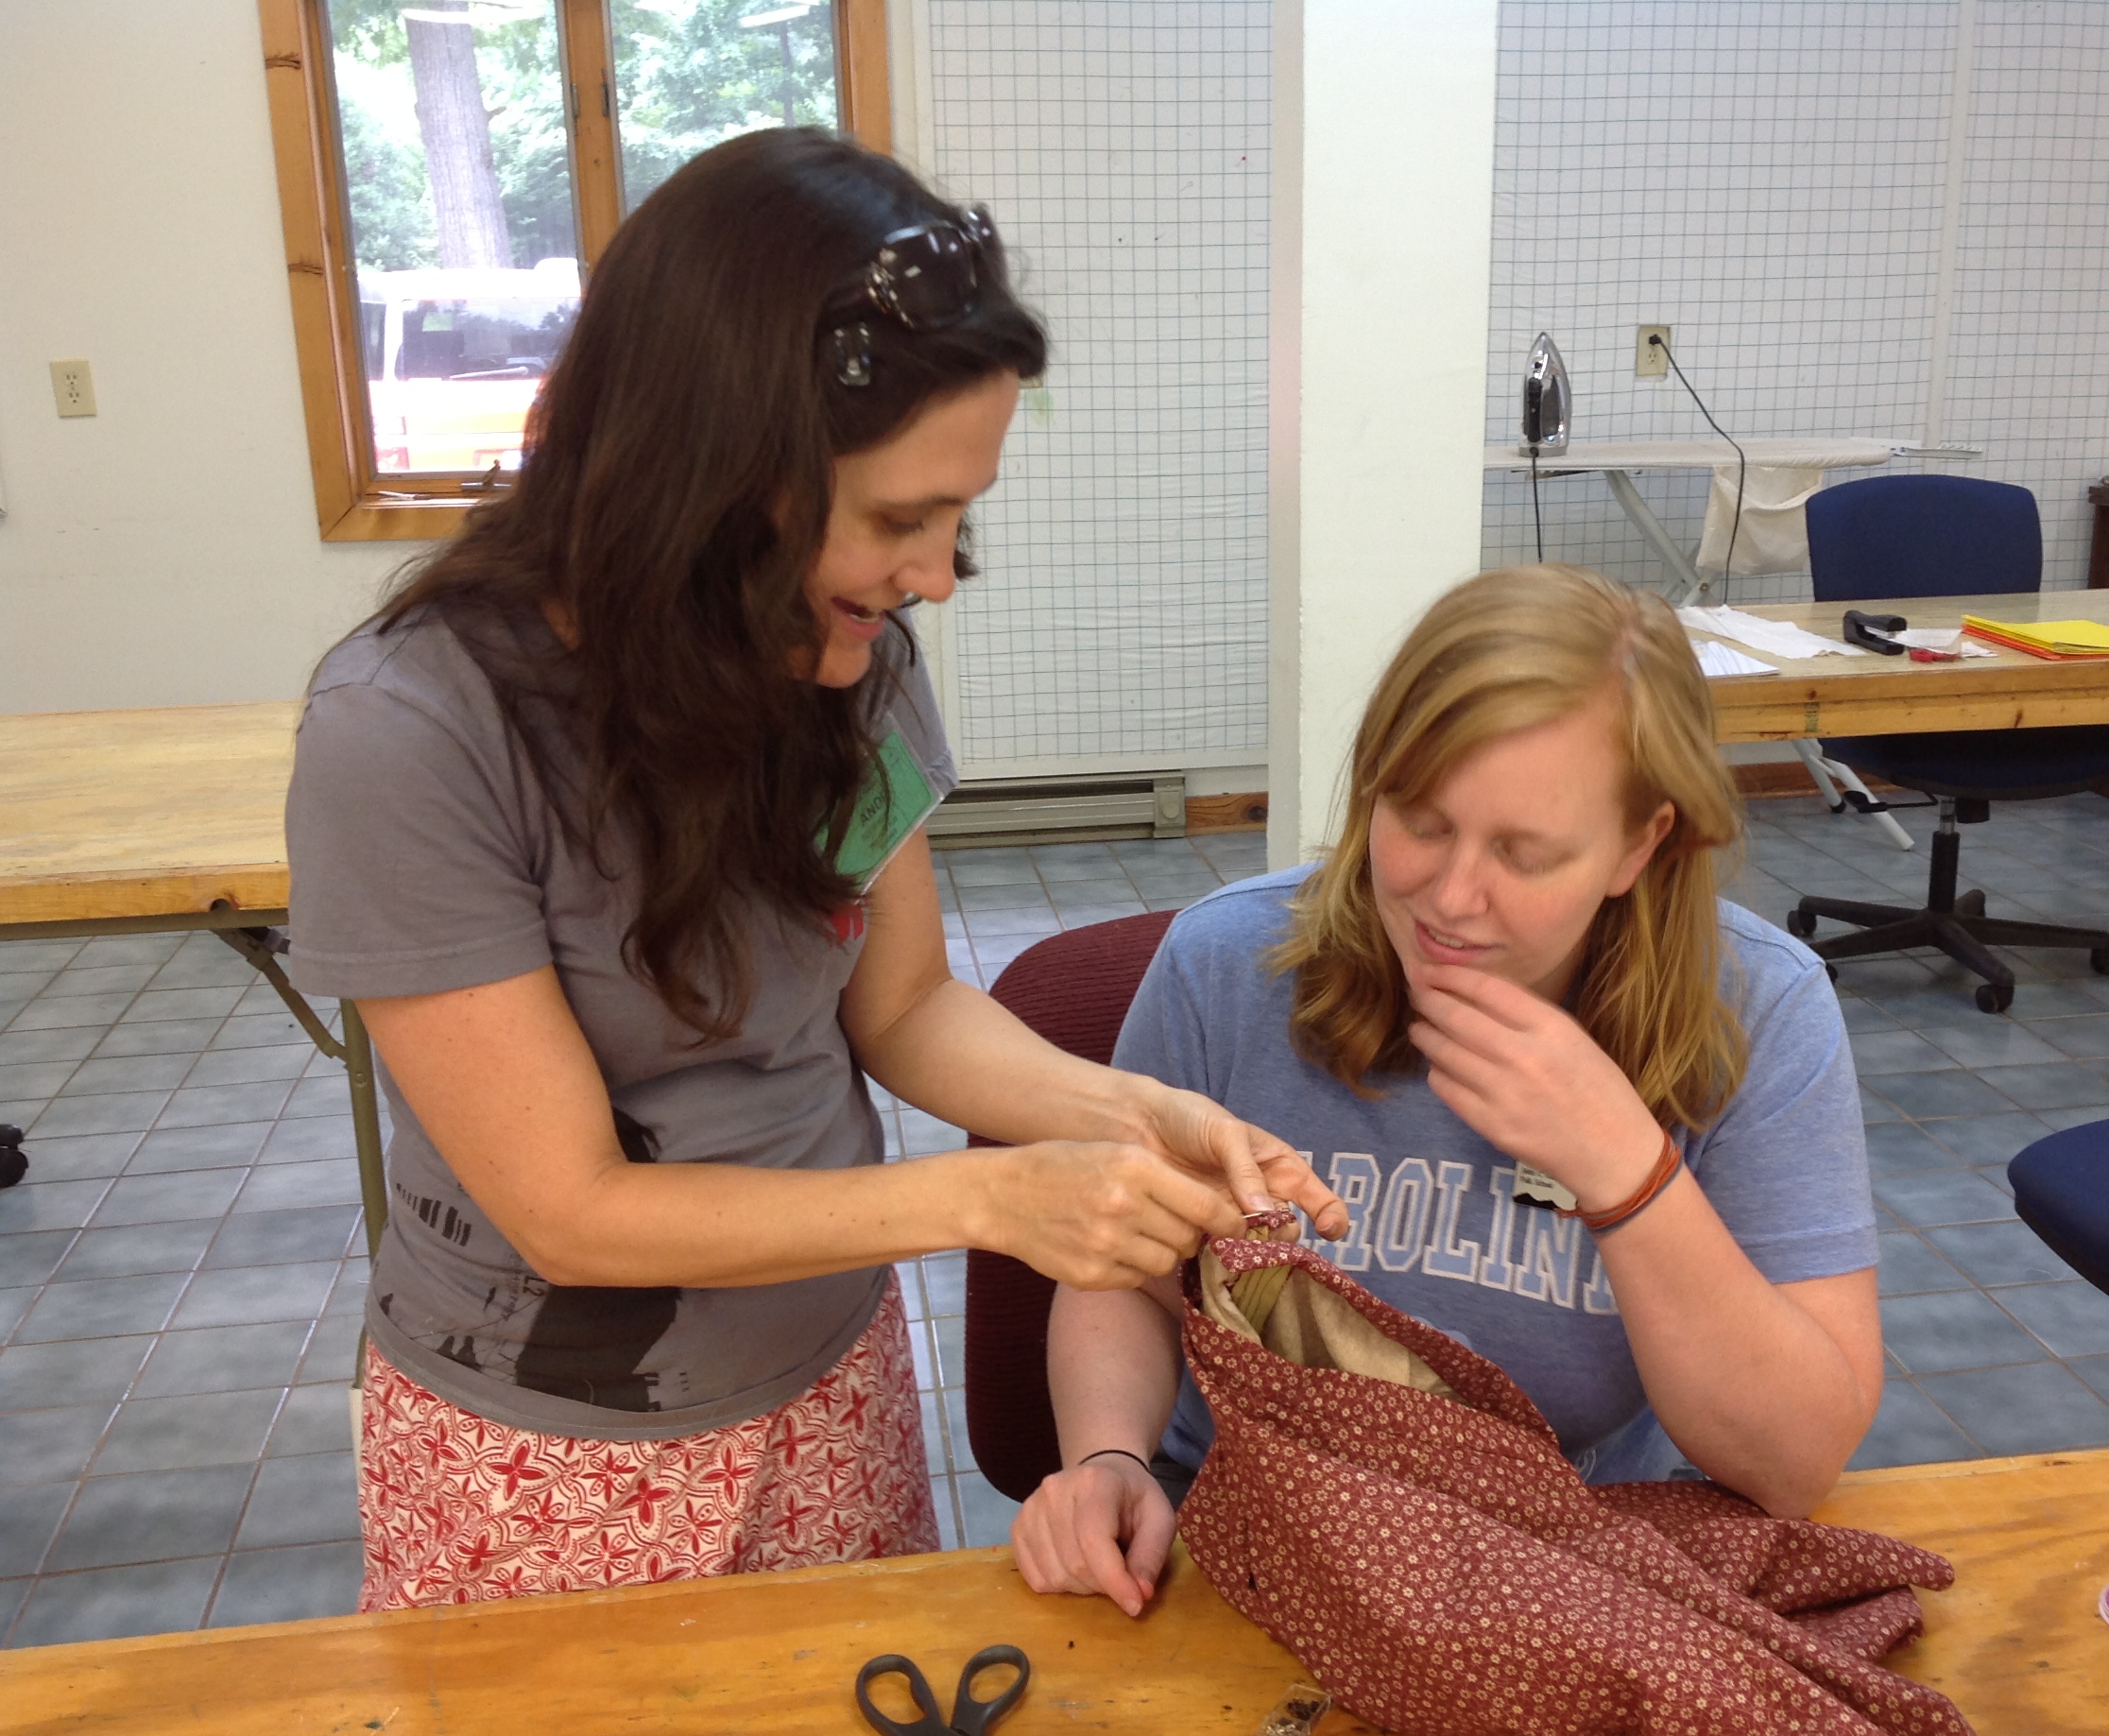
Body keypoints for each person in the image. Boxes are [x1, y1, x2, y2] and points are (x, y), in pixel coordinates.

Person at [283, 129, 1336, 1610]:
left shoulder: (846, 667)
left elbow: (900, 1008)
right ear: (715, 473)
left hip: (828, 1385)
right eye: (904, 520)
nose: (935, 577)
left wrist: (1145, 1116)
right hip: (546, 1457)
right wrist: (987, 1204)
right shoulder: (413, 733)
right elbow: (570, 1211)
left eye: (961, 516)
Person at [1013, 565, 1885, 1618]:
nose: (1451, 899)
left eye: (1523, 853)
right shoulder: (1225, 965)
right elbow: (1127, 1276)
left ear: (1640, 843)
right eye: (1420, 821)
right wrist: (1110, 1456)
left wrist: (1627, 1171)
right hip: (1246, 1546)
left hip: (1572, 1564)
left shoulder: (1760, 1011)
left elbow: (1794, 1465)